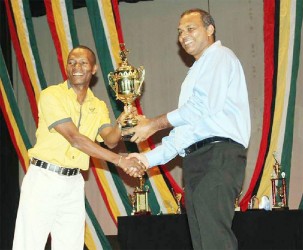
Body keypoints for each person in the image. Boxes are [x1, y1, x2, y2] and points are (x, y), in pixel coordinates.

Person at [125, 9, 251, 250]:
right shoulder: (195, 72)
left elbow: (201, 107)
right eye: (180, 32)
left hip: (218, 157)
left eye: (190, 29)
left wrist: (153, 124)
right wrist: (143, 158)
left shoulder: (220, 57)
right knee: (203, 242)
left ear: (210, 29)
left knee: (214, 240)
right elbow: (182, 135)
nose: (183, 36)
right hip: (195, 162)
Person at [12, 45, 146, 250]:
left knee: (70, 245)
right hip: (43, 178)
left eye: (83, 62)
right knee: (29, 245)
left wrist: (121, 120)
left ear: (93, 69)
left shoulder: (98, 104)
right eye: (72, 62)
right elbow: (75, 139)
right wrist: (120, 160)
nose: (76, 66)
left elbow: (110, 140)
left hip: (74, 182)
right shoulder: (51, 95)